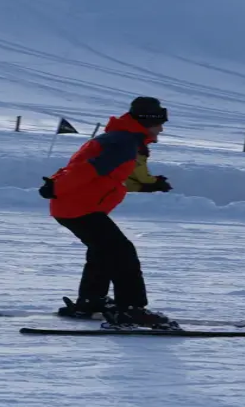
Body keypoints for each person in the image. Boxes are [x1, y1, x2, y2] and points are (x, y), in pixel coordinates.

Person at [38, 96, 172, 327]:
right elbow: (85, 170)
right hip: (79, 207)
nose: (161, 129)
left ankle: (92, 301)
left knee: (103, 250)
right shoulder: (122, 143)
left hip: (75, 205)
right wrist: (56, 185)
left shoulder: (121, 139)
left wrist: (147, 186)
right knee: (122, 253)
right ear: (147, 121)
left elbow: (109, 178)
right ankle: (131, 309)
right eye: (159, 123)